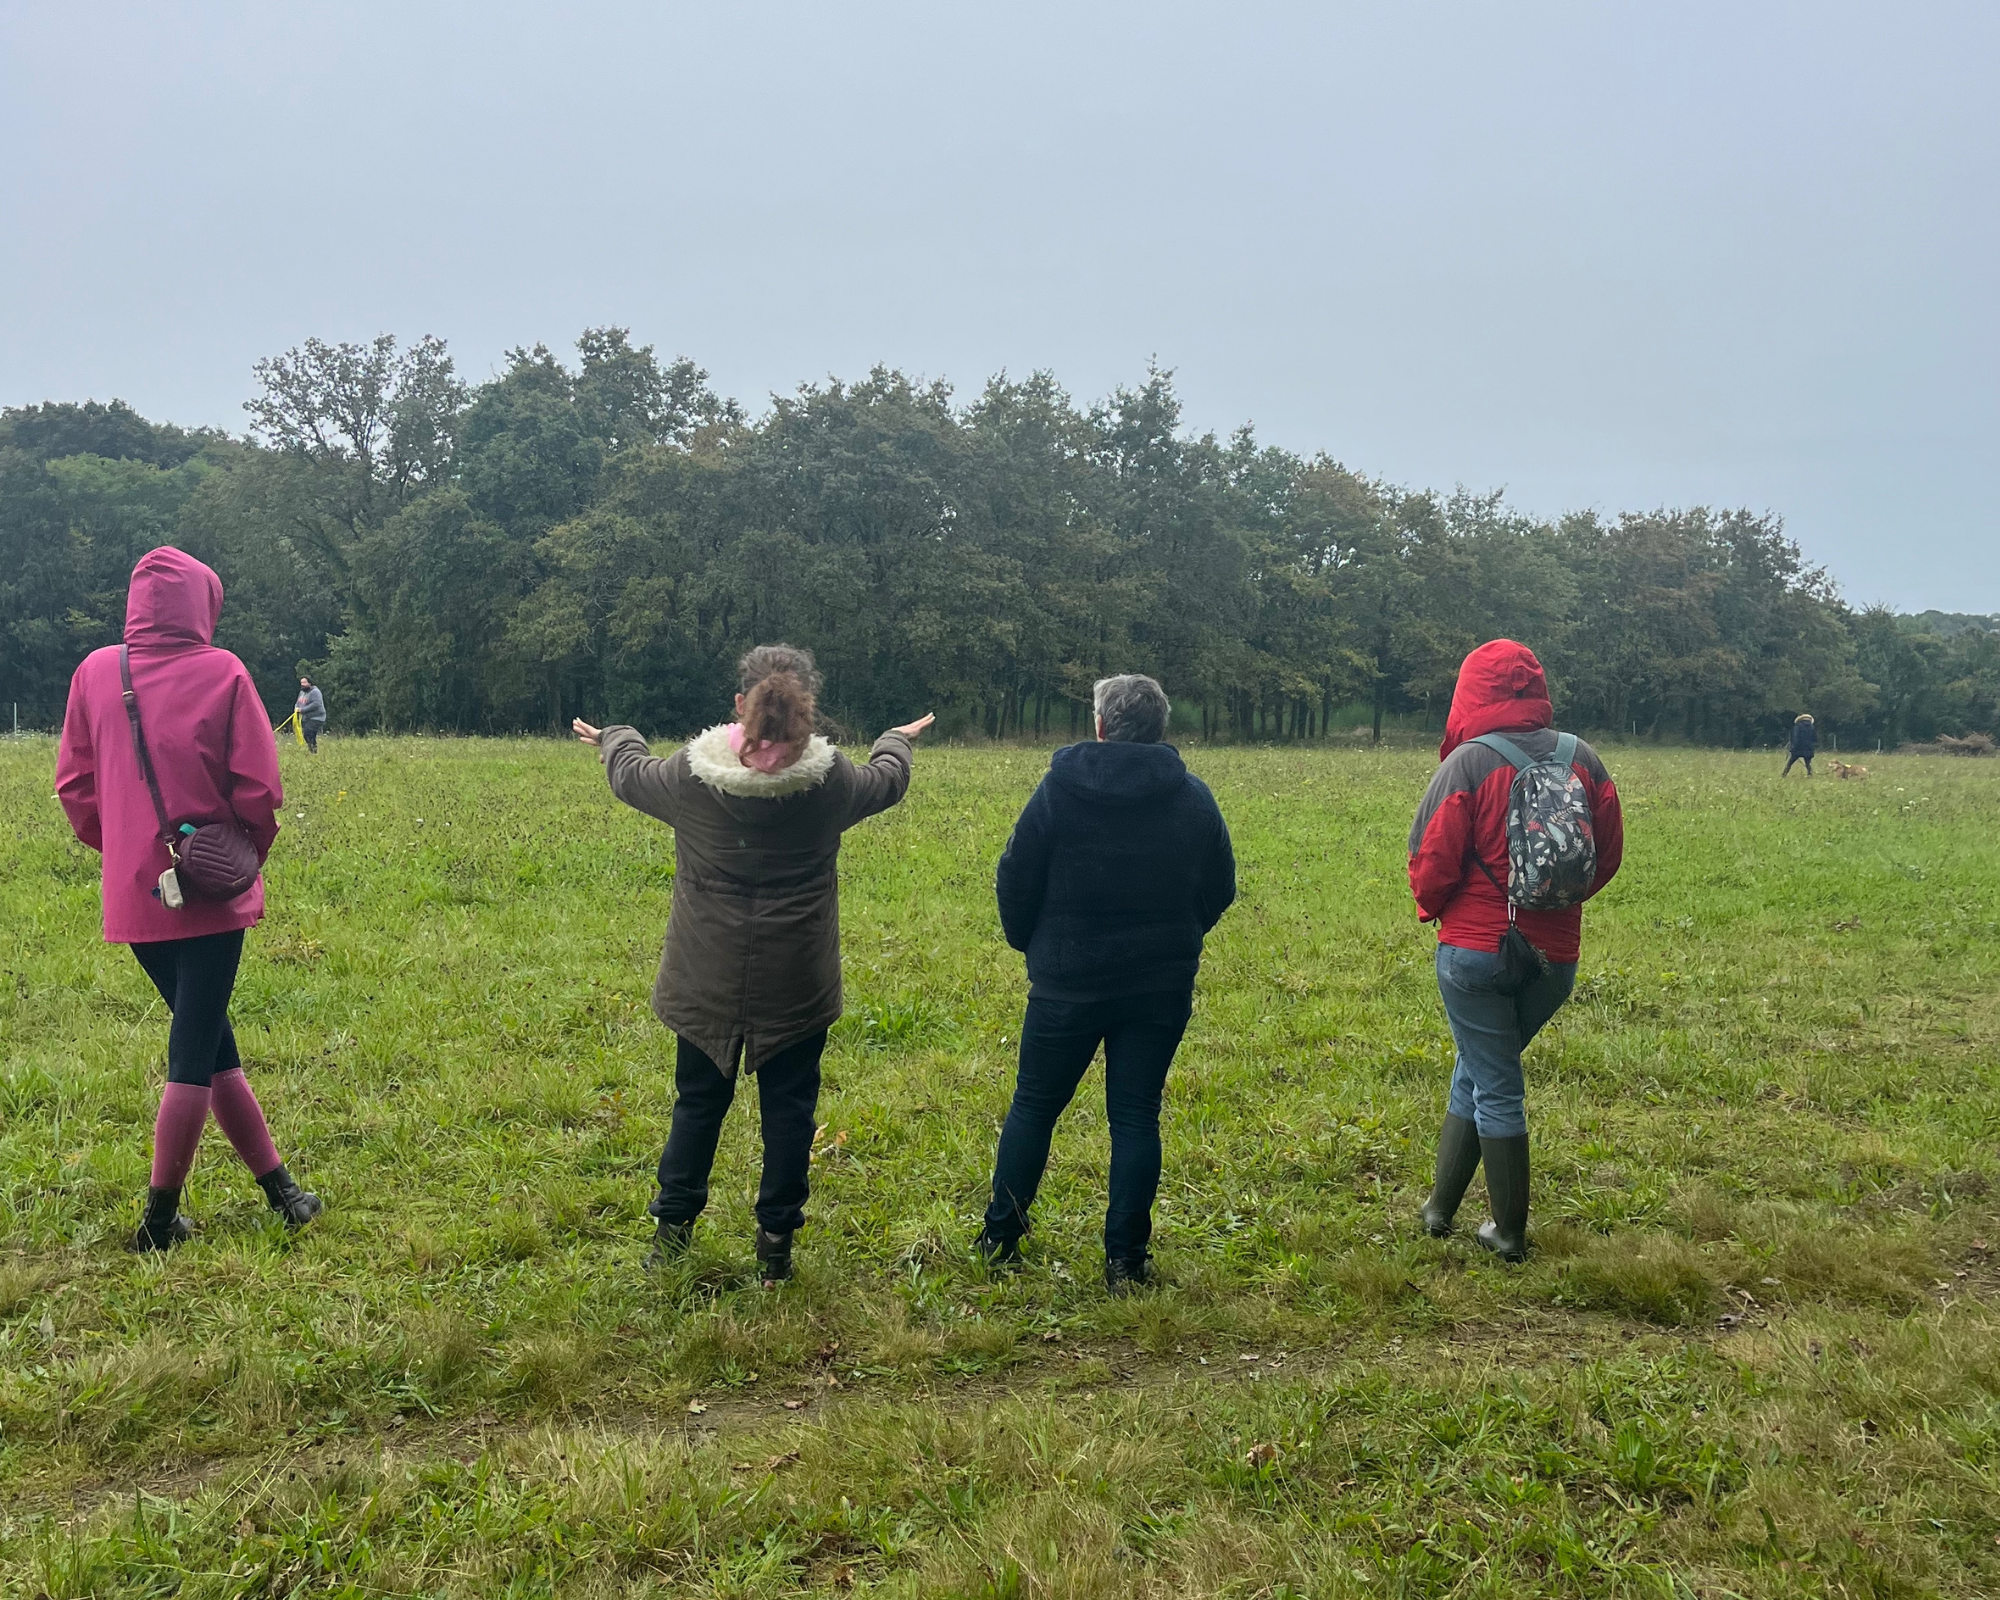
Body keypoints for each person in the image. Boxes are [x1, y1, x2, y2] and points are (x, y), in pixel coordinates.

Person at [574, 645, 932, 1285]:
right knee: (790, 1111)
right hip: (798, 982)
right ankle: (775, 1250)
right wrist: (896, 740)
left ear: (740, 704)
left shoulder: (690, 777)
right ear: (807, 709)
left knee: (696, 1103)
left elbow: (629, 773)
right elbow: (888, 780)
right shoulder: (832, 782)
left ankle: (671, 1235)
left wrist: (614, 735)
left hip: (703, 978)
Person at [55, 547, 322, 1252]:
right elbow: (260, 791)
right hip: (210, 894)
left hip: (138, 895)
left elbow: (75, 788)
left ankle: (283, 1192)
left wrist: (124, 854)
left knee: (209, 1040)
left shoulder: (95, 672)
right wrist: (242, 858)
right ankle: (159, 1219)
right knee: (194, 1048)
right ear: (204, 603)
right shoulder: (224, 671)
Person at [980, 673, 1236, 1294]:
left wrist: (1033, 945)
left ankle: (1000, 1239)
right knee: (1135, 1116)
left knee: (1035, 1106)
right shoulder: (1193, 797)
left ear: (1099, 725)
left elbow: (1014, 875)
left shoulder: (1056, 792)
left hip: (1066, 981)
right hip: (1158, 985)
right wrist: (1180, 936)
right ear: (1160, 728)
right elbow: (1220, 885)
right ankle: (1126, 1261)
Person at [1407, 640, 1622, 1262]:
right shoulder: (1583, 758)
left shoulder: (1467, 763)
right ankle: (1439, 1209)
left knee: (1495, 1082)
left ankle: (1508, 1233)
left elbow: (1430, 862)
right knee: (1478, 1068)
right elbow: (1606, 856)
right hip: (1555, 959)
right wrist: (1557, 908)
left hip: (1475, 954)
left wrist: (1439, 909)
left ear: (1469, 693)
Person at [296, 676, 327, 753]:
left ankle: (313, 751)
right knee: (308, 735)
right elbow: (298, 702)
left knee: (308, 733)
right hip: (306, 718)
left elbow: (316, 704)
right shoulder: (302, 692)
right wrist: (296, 708)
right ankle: (312, 751)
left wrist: (303, 710)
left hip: (317, 717)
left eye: (304, 682)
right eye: (301, 683)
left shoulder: (315, 692)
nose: (302, 684)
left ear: (309, 683)